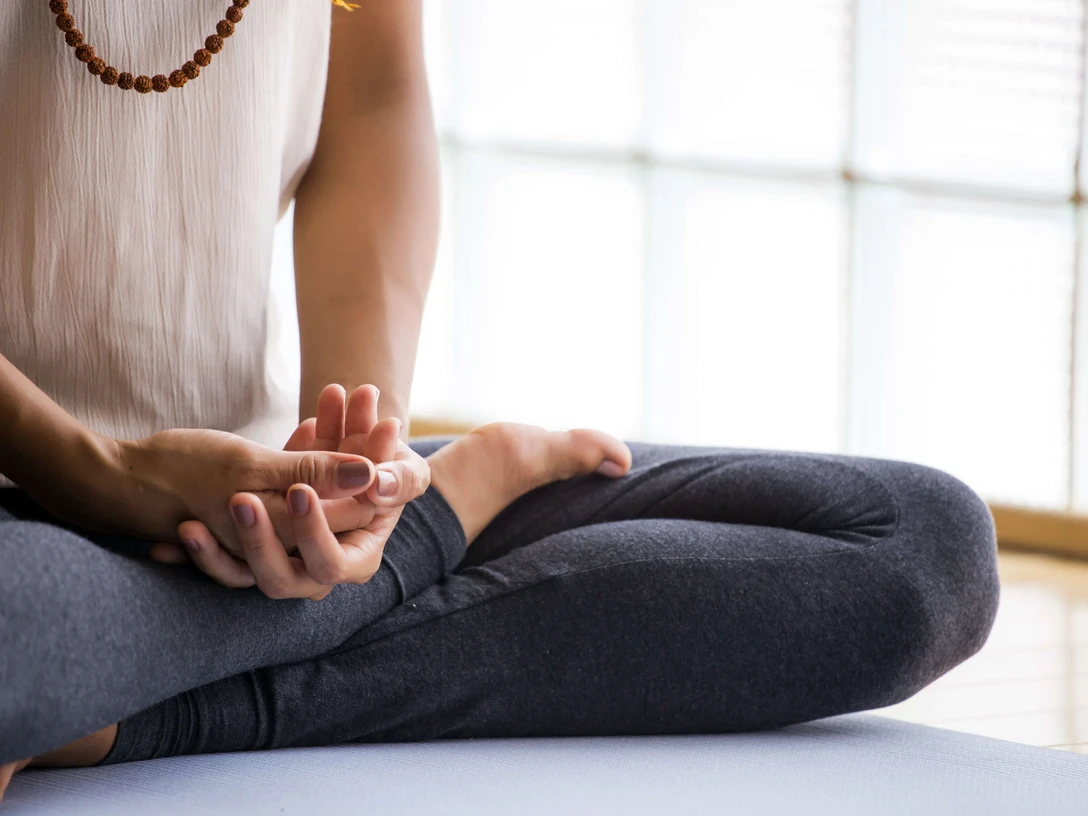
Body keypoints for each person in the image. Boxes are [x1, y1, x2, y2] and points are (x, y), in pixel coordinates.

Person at [0, 0, 1000, 798]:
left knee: (918, 546)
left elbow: (374, 101)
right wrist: (99, 473)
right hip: (21, 502)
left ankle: (98, 705)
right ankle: (419, 534)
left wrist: (363, 474)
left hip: (251, 489)